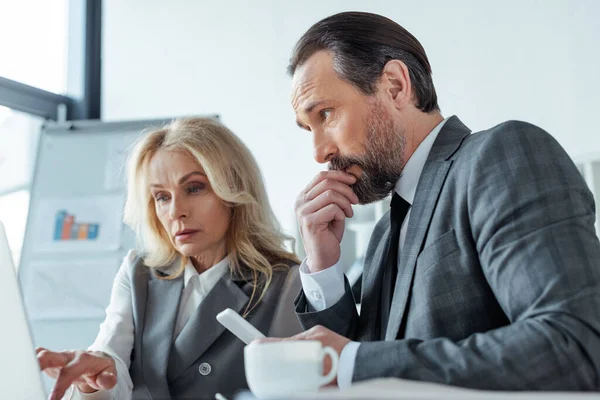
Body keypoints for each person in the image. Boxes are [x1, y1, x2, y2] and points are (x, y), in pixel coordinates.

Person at [283, 11, 600, 390]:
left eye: (326, 113)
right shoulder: (386, 230)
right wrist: (322, 265)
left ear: (396, 86)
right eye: (308, 129)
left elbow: (577, 343)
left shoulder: (499, 156)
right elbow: (356, 367)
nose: (319, 152)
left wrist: (350, 361)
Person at [37, 118, 302, 400]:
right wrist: (91, 378)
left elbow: (296, 388)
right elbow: (111, 354)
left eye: (194, 188)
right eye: (162, 197)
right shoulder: (138, 272)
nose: (176, 211)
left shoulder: (285, 281)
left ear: (233, 190)